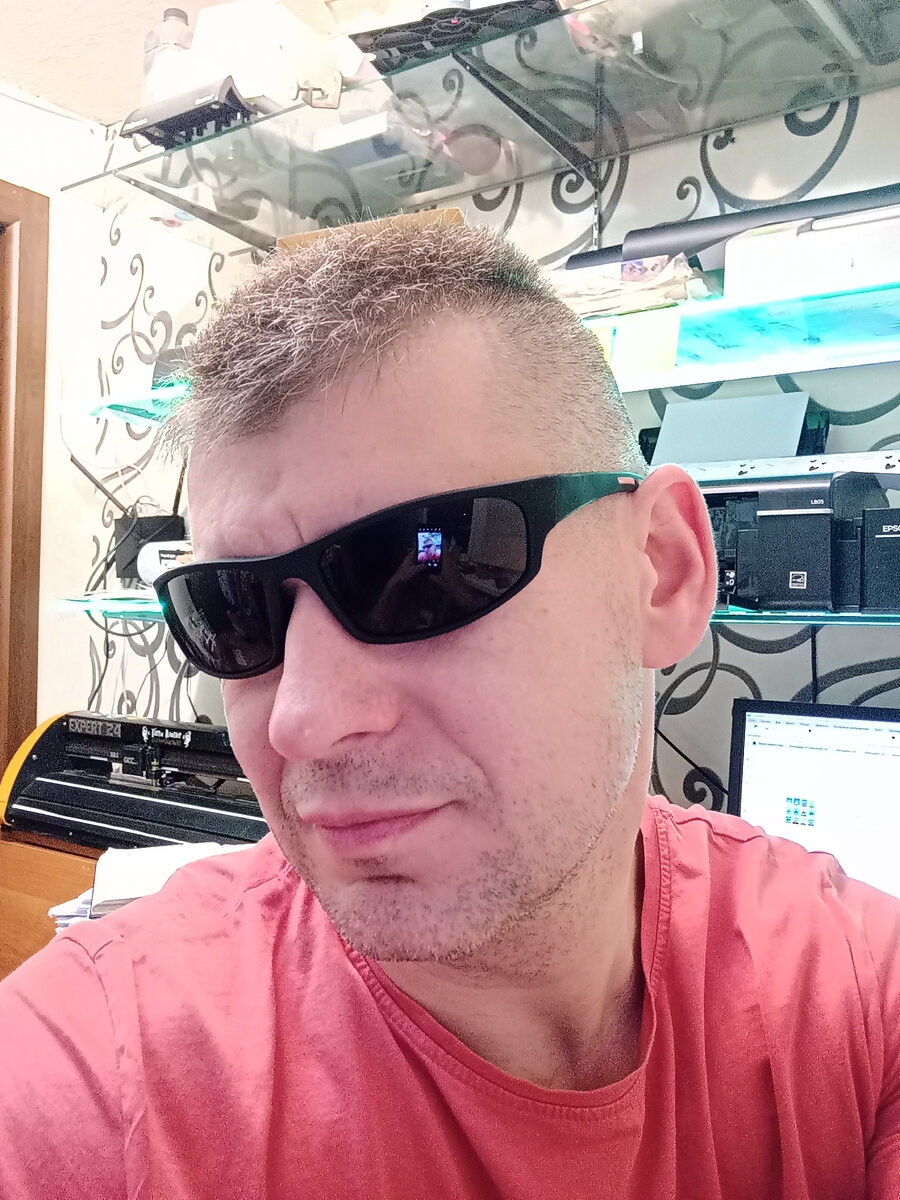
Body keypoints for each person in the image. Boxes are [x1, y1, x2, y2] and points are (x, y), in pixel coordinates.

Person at [1, 221, 898, 1199]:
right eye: (234, 609)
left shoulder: (854, 995)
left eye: (428, 571)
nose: (302, 720)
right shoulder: (96, 1079)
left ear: (661, 571)